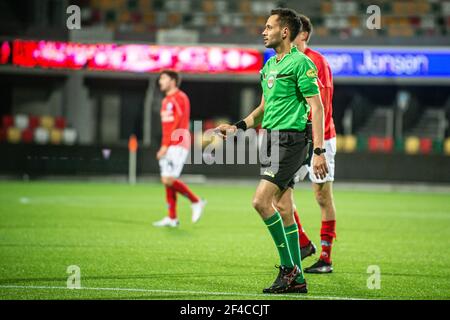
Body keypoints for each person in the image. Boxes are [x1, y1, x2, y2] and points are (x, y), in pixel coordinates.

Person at [215, 8, 328, 294]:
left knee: (260, 202)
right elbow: (264, 110)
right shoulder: (268, 67)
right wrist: (239, 126)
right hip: (270, 139)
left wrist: (318, 151)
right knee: (283, 207)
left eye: (269, 27)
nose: (263, 32)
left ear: (285, 32)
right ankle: (298, 277)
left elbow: (317, 107)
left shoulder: (300, 63)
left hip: (291, 141)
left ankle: (289, 270)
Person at [292, 15, 337, 274]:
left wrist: (318, 148)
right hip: (295, 138)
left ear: (304, 35)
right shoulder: (285, 61)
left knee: (321, 195)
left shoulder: (317, 61)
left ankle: (326, 257)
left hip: (320, 138)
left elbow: (324, 107)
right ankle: (302, 242)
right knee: (276, 191)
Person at [153, 70, 206, 228]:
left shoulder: (180, 97)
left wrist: (165, 145)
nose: (160, 81)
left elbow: (177, 123)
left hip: (178, 142)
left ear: (173, 81)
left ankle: (196, 201)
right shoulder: (165, 101)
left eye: (163, 78)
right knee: (167, 180)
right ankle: (172, 218)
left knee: (168, 179)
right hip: (169, 143)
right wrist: (164, 144)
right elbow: (166, 127)